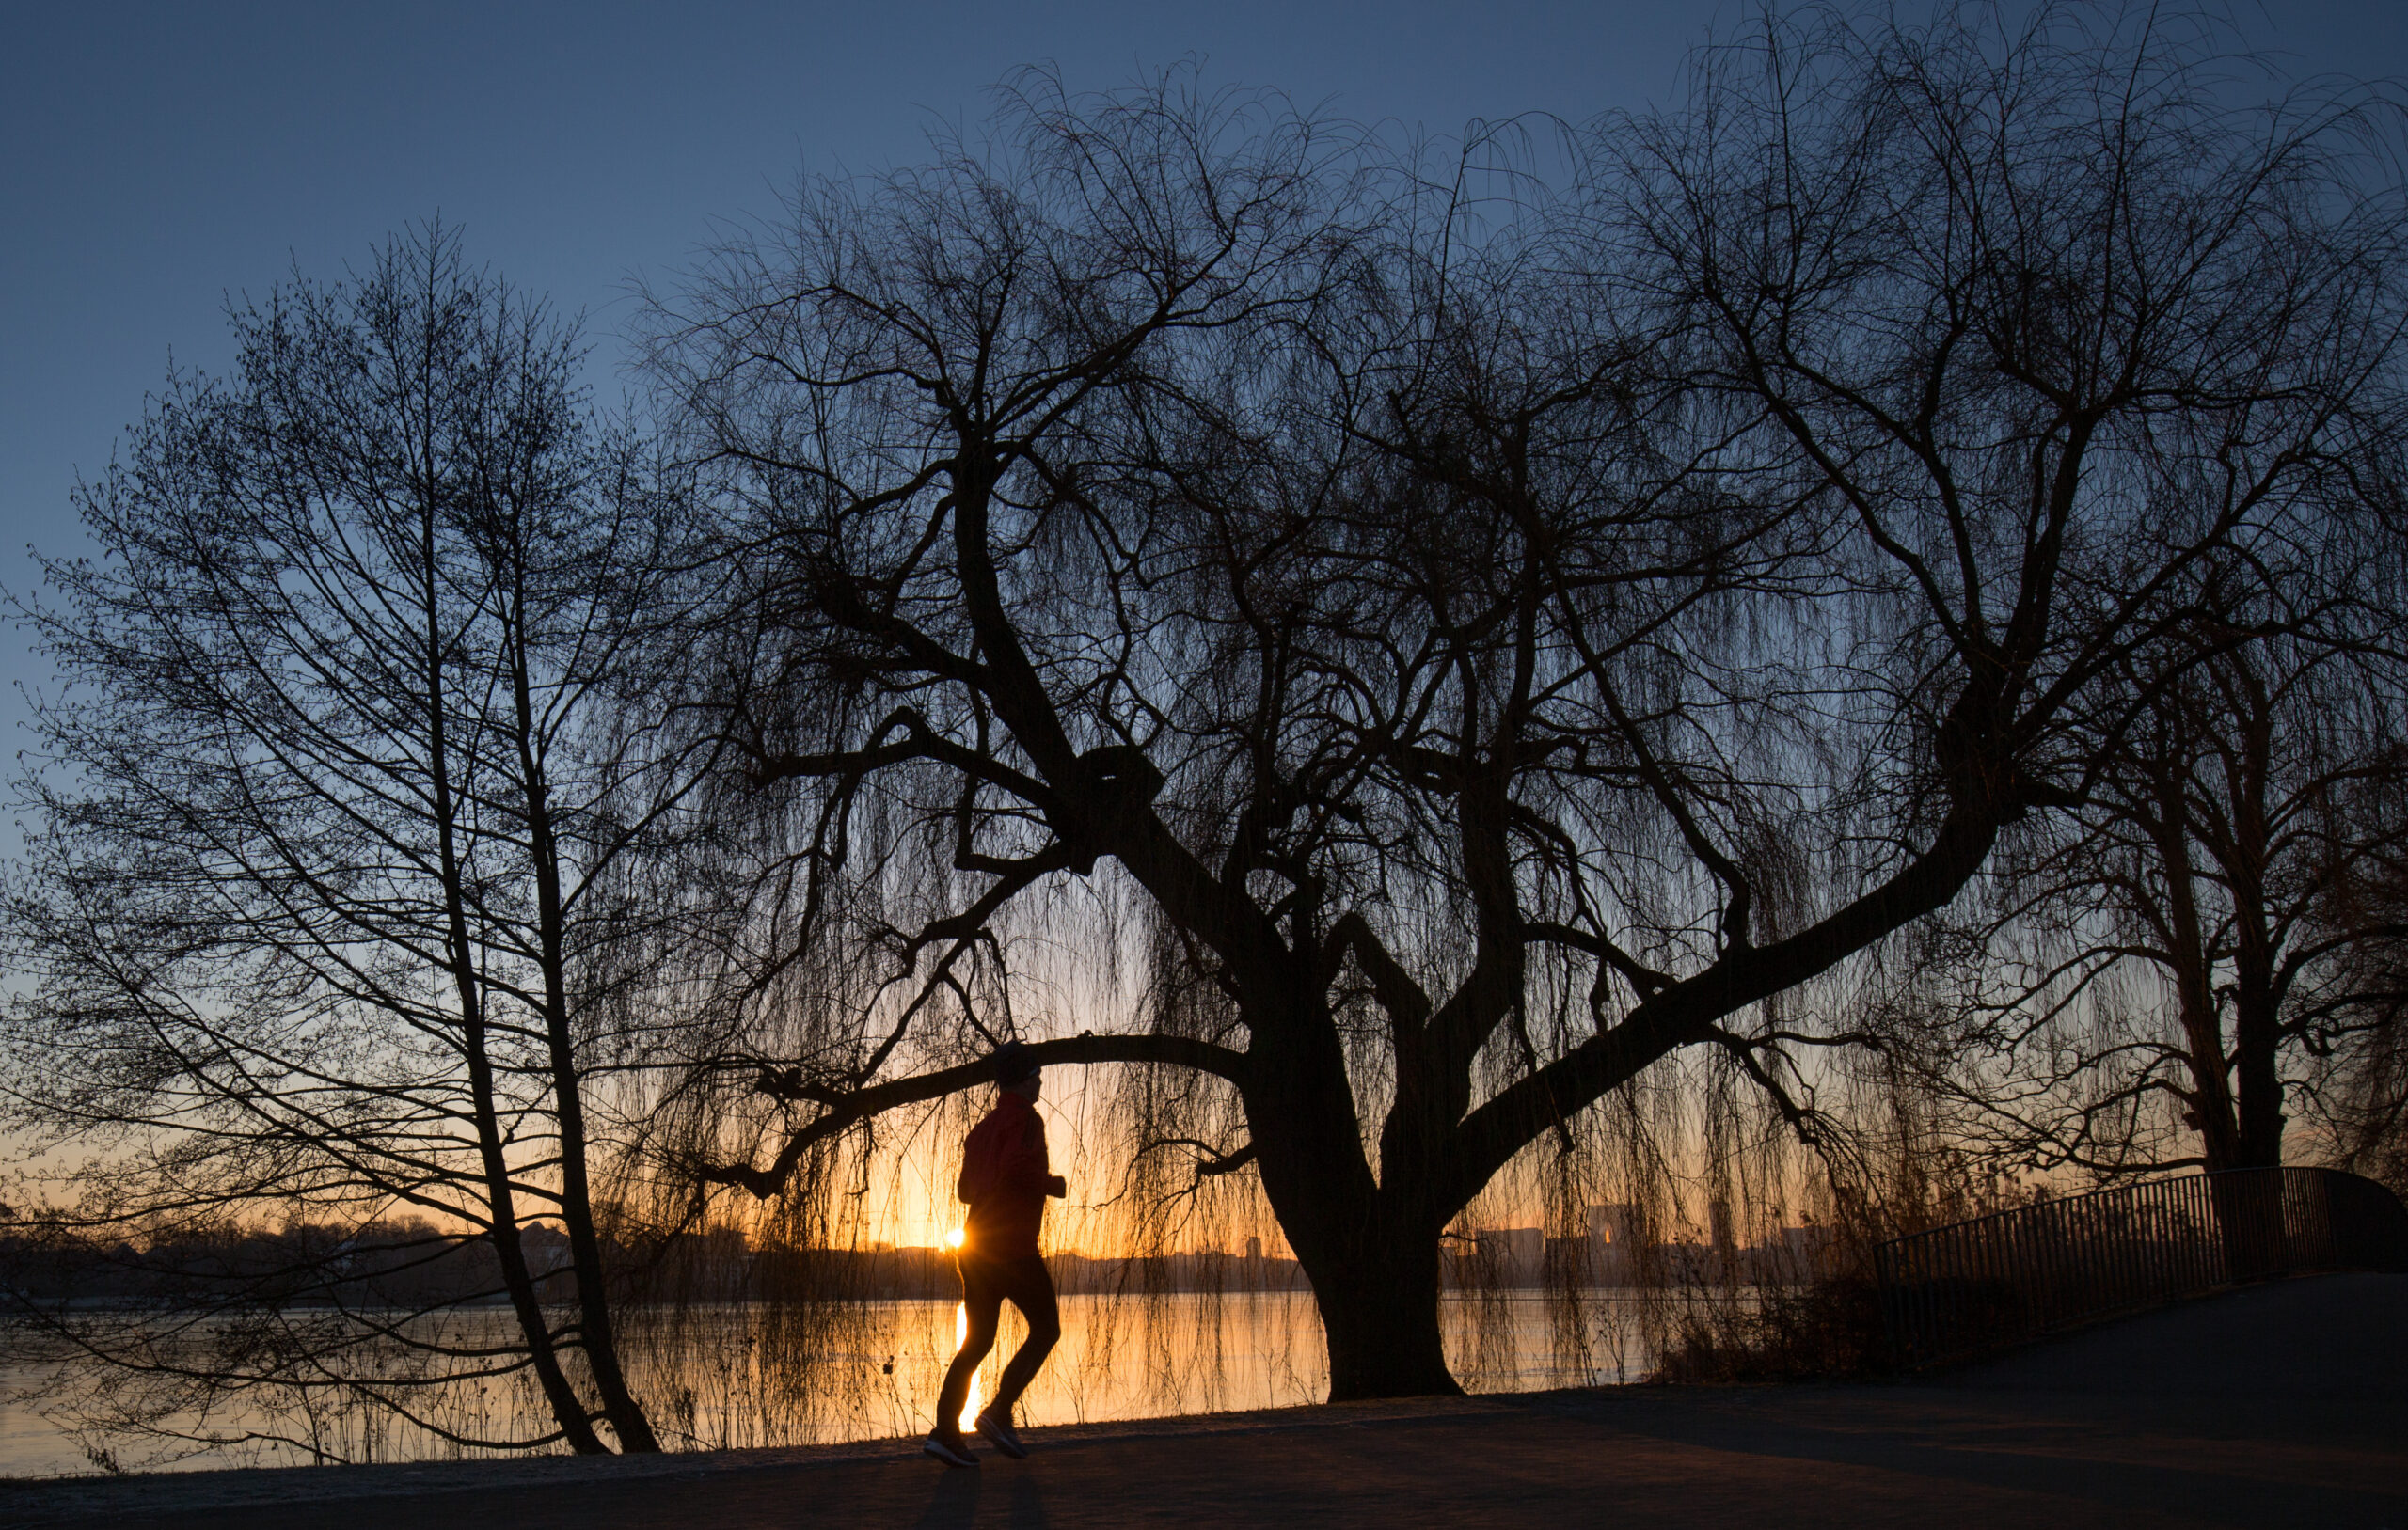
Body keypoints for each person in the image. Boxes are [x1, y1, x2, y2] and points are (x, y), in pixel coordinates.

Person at [924, 1040, 1067, 1468]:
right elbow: (1018, 1171)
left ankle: (946, 1433)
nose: (1040, 1080)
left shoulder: (981, 1129)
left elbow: (965, 1191)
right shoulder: (1026, 1120)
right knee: (1046, 1329)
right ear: (1022, 1080)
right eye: (1036, 1074)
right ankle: (999, 1411)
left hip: (976, 1249)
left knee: (977, 1342)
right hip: (1013, 1249)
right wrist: (1050, 1183)